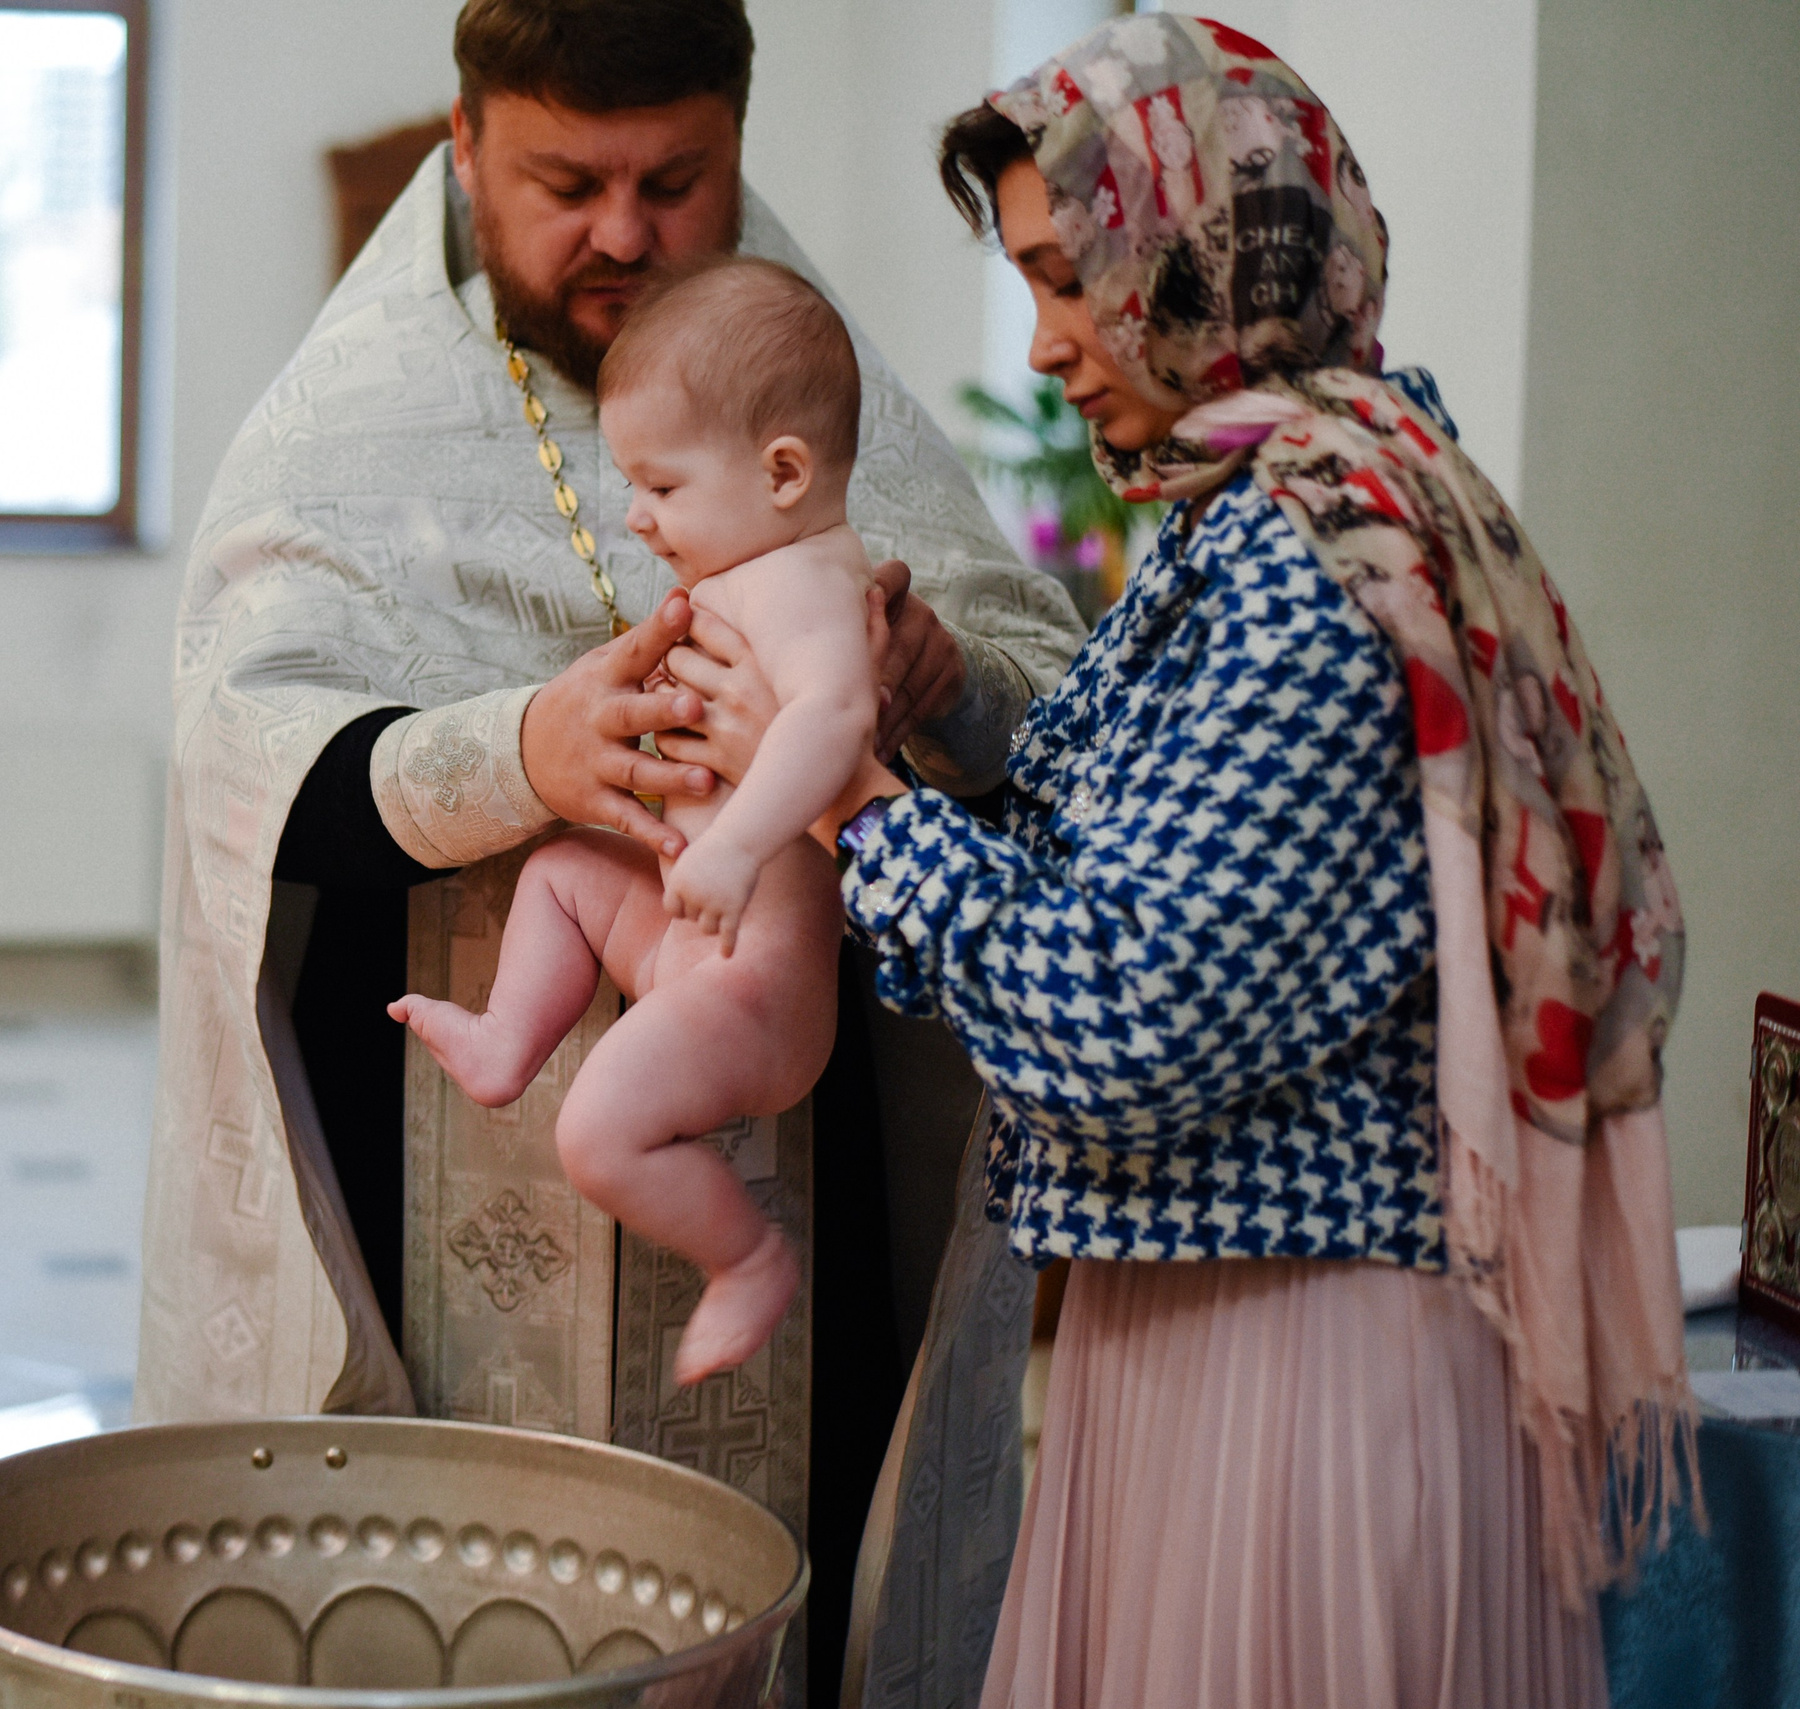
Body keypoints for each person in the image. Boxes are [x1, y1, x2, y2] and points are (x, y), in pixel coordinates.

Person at [686, 15, 1695, 1705]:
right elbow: (1179, 868)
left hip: (1300, 1380)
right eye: (1032, 286)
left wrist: (851, 798)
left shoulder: (1307, 561)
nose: (1053, 346)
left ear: (1206, 251)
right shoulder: (1271, 504)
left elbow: (1123, 1023)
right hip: (1225, 1323)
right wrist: (961, 722)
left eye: (1076, 277)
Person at [137, 2, 1085, 1701]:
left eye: (677, 178)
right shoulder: (346, 428)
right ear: (464, 141)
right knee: (463, 1627)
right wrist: (521, 752)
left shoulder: (804, 379)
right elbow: (241, 762)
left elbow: (1028, 681)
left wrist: (947, 678)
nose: (628, 233)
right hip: (454, 1217)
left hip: (794, 1136)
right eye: (568, 182)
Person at [395, 258, 881, 1385]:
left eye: (661, 485)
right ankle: (509, 1037)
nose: (635, 513)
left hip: (754, 977)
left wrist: (736, 840)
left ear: (781, 472)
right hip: (687, 933)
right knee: (563, 867)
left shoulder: (806, 579)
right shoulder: (755, 560)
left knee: (597, 1129)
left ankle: (748, 1259)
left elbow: (833, 721)